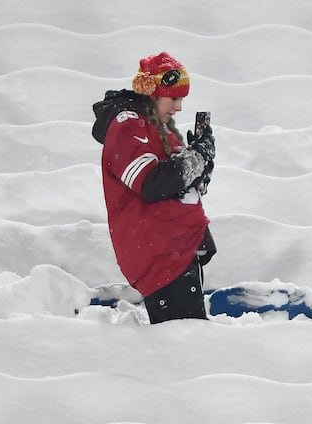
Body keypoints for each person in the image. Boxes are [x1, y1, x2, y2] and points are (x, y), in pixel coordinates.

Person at [90, 52, 217, 322]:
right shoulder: (127, 127)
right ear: (153, 93)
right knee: (185, 346)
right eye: (174, 98)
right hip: (162, 256)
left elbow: (181, 188)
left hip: (176, 251)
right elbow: (151, 183)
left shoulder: (161, 131)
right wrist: (197, 158)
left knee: (194, 342)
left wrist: (202, 165)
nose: (179, 107)